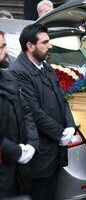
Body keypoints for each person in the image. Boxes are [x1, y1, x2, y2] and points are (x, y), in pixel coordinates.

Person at [9, 24, 76, 200]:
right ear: (30, 46)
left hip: (54, 150)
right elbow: (33, 112)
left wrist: (70, 125)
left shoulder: (45, 66)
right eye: (45, 42)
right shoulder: (18, 72)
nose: (50, 45)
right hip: (40, 152)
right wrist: (60, 133)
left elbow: (62, 99)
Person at [0, 30, 39, 198]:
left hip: (20, 167)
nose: (7, 51)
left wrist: (31, 144)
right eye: (2, 47)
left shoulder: (8, 77)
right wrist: (16, 152)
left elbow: (25, 110)